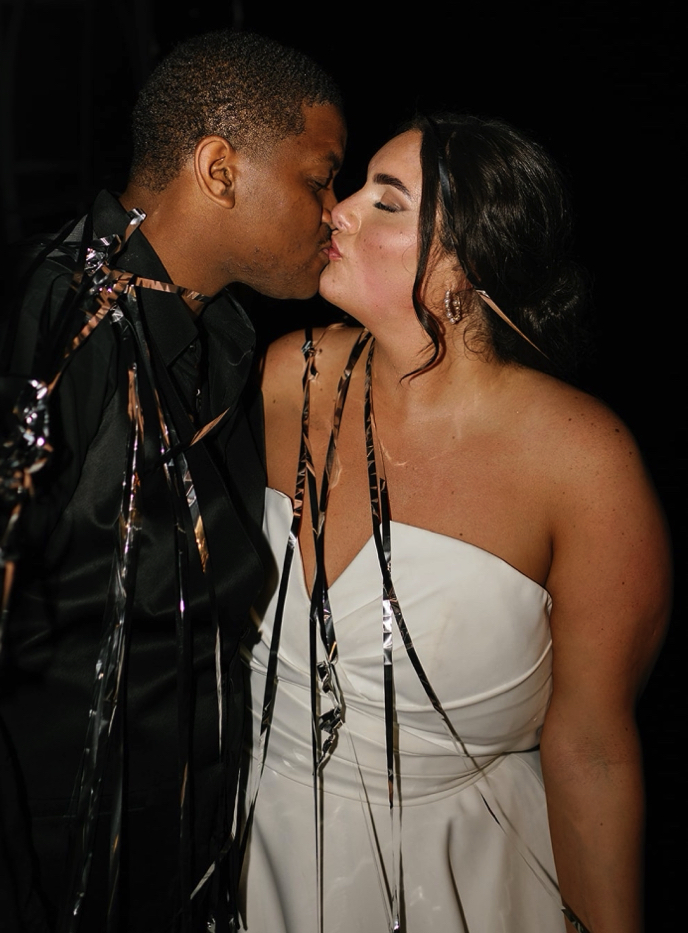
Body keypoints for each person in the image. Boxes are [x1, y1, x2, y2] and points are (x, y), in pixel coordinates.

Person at [0, 30, 346, 931]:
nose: (336, 212)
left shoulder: (231, 340)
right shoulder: (37, 315)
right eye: (319, 179)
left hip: (198, 841)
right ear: (217, 167)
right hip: (53, 860)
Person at [244, 114, 670, 932]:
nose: (339, 209)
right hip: (253, 851)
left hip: (459, 880)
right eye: (358, 185)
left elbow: (593, 750)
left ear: (461, 268)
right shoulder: (284, 378)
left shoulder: (583, 462)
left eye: (387, 202)